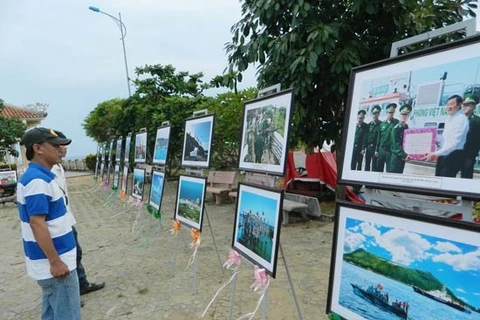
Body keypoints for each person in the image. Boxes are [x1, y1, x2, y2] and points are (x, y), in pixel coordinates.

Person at [17, 127, 81, 319]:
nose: (60, 149)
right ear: (38, 148)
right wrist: (55, 262)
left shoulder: (40, 176)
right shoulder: (37, 181)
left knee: (52, 313)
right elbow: (37, 224)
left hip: (52, 263)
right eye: (55, 145)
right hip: (55, 265)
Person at [51, 130, 106, 296]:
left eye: (66, 145)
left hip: (67, 219)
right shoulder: (48, 171)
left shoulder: (58, 166)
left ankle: (81, 284)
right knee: (68, 256)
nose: (65, 148)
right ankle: (70, 294)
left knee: (76, 253)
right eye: (60, 145)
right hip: (58, 224)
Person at [423, 95, 469, 177]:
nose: (448, 107)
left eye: (452, 104)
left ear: (459, 105)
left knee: (445, 181)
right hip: (444, 154)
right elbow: (445, 138)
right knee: (438, 179)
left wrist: (434, 154)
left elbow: (453, 144)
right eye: (447, 104)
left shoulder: (461, 120)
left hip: (453, 156)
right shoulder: (449, 118)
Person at [375, 103, 399, 172]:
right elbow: (378, 138)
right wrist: (376, 150)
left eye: (392, 113)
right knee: (379, 169)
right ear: (386, 113)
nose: (390, 114)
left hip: (390, 151)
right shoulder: (382, 124)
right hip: (381, 150)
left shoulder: (396, 123)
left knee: (389, 170)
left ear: (394, 113)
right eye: (389, 112)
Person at [460, 94, 480, 178]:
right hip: (455, 154)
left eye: (468, 105)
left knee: (465, 178)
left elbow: (476, 142)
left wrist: (470, 157)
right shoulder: (458, 120)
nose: (465, 107)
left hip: (467, 156)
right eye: (464, 105)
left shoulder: (476, 121)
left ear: (474, 106)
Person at [389, 104, 412, 173]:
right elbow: (396, 145)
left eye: (406, 115)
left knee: (399, 174)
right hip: (396, 157)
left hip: (403, 157)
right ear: (400, 115)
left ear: (408, 116)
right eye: (402, 114)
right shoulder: (395, 128)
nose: (404, 117)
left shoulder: (406, 127)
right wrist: (405, 155)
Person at [365, 105, 382, 171]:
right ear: (372, 114)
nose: (375, 115)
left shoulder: (381, 124)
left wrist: (377, 149)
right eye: (374, 114)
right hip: (369, 147)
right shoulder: (369, 125)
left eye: (377, 113)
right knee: (367, 164)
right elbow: (366, 137)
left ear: (379, 114)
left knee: (374, 166)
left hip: (375, 148)